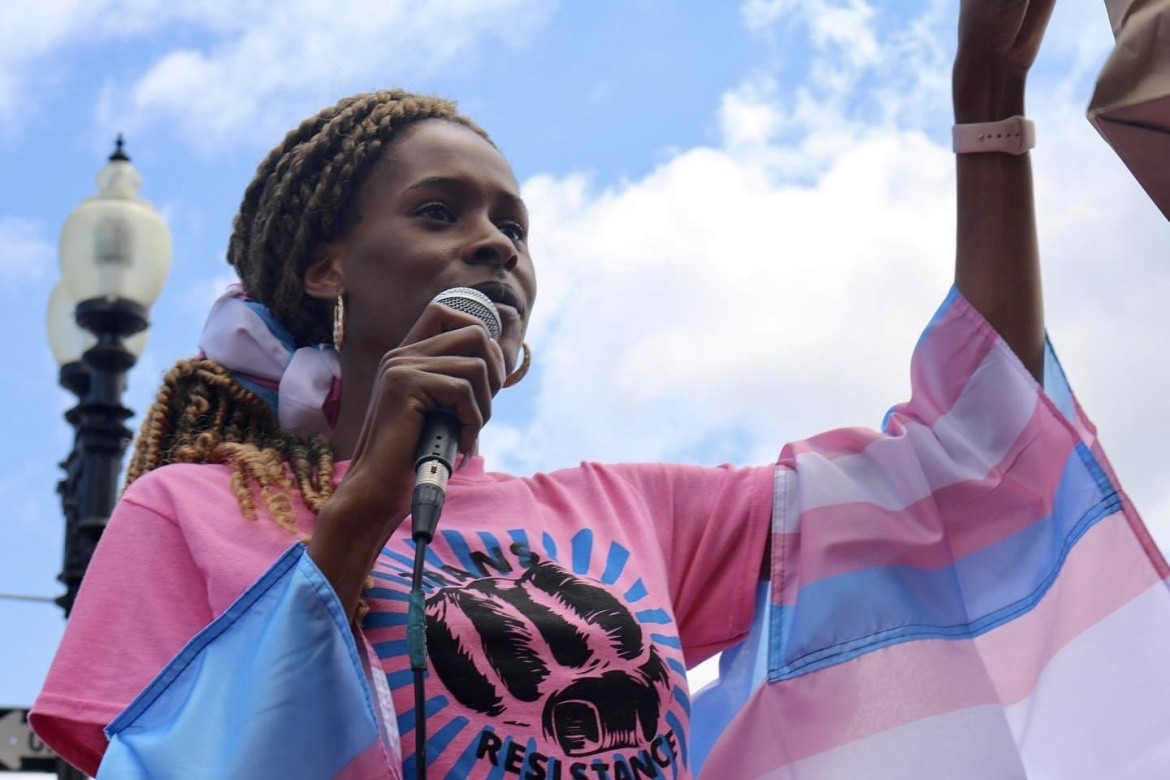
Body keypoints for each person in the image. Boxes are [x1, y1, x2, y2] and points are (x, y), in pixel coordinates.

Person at [30, 1, 1170, 778]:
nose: (493, 246)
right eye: (439, 214)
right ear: (325, 266)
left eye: (511, 226)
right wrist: (364, 511)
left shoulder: (631, 516)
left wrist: (988, 109)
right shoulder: (188, 511)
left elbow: (972, 453)